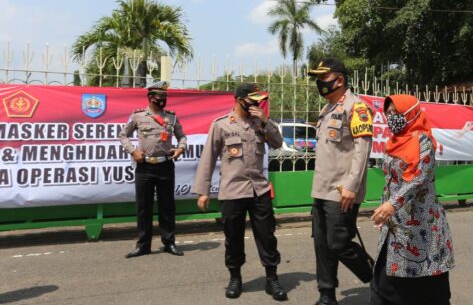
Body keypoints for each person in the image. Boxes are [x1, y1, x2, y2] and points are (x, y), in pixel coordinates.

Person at [192, 83, 288, 301]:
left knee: (267, 236)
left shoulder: (260, 123)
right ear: (239, 99)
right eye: (251, 99)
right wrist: (203, 191)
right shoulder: (221, 125)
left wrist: (265, 120)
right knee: (233, 238)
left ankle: (272, 278)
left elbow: (278, 142)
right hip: (232, 192)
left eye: (257, 99)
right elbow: (207, 159)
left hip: (259, 190)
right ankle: (235, 277)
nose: (255, 103)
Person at [369, 94, 455, 305]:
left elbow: (419, 178)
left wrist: (391, 205)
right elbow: (390, 181)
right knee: (385, 283)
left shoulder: (423, 141)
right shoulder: (393, 142)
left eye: (395, 113)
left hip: (422, 223)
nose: (391, 117)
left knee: (426, 283)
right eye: (388, 113)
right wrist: (384, 210)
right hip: (396, 223)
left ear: (410, 113)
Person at [308, 58, 374, 305]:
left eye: (323, 77)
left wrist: (351, 186)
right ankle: (327, 294)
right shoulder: (326, 110)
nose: (319, 82)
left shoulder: (356, 107)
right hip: (321, 189)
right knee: (322, 245)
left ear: (340, 80)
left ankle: (377, 277)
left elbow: (362, 149)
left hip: (342, 190)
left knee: (339, 243)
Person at [118, 81, 187, 258]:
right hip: (145, 167)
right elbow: (123, 135)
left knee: (167, 206)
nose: (162, 100)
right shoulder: (138, 116)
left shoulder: (171, 117)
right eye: (159, 97)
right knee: (143, 207)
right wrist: (133, 151)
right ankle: (143, 245)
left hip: (165, 165)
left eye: (165, 97)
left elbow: (182, 137)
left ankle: (169, 243)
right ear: (150, 97)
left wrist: (180, 149)